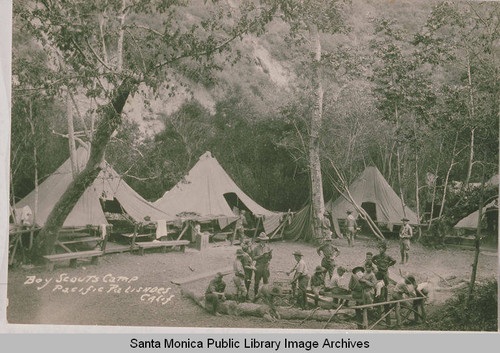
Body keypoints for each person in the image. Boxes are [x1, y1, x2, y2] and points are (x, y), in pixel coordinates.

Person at [372, 241, 396, 324]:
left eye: (381, 248)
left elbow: (394, 261)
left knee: (384, 285)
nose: (380, 250)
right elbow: (373, 259)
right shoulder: (377, 256)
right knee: (376, 284)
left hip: (384, 273)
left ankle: (381, 296)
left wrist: (388, 265)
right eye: (379, 248)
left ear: (384, 249)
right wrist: (377, 264)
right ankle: (376, 297)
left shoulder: (387, 256)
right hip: (379, 273)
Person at [252, 232, 272, 297]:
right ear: (260, 240)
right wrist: (261, 256)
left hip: (266, 265)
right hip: (259, 265)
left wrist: (270, 255)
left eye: (264, 240)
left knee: (266, 281)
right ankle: (255, 294)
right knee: (257, 281)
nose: (263, 242)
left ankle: (265, 294)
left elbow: (270, 257)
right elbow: (253, 258)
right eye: (262, 240)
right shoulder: (256, 248)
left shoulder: (268, 247)